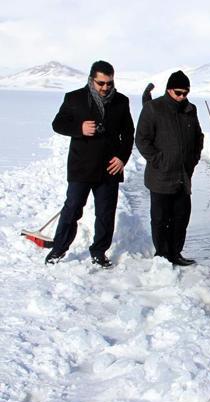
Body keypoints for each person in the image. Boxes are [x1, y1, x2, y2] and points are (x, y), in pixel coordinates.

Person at [45, 60, 134, 267]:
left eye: (109, 83)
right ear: (91, 80)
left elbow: (128, 134)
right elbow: (57, 124)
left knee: (105, 213)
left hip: (109, 168)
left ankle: (99, 252)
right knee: (72, 209)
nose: (105, 88)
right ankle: (58, 250)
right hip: (81, 167)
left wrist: (122, 158)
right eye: (101, 83)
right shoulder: (74, 98)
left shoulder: (121, 101)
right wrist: (79, 128)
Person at [135, 70, 204, 266]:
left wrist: (193, 159)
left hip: (183, 174)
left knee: (181, 216)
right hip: (161, 175)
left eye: (186, 93)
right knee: (160, 218)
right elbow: (142, 139)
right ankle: (162, 254)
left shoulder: (190, 109)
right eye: (178, 92)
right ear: (169, 90)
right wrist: (159, 160)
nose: (182, 97)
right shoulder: (153, 108)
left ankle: (175, 252)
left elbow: (198, 137)